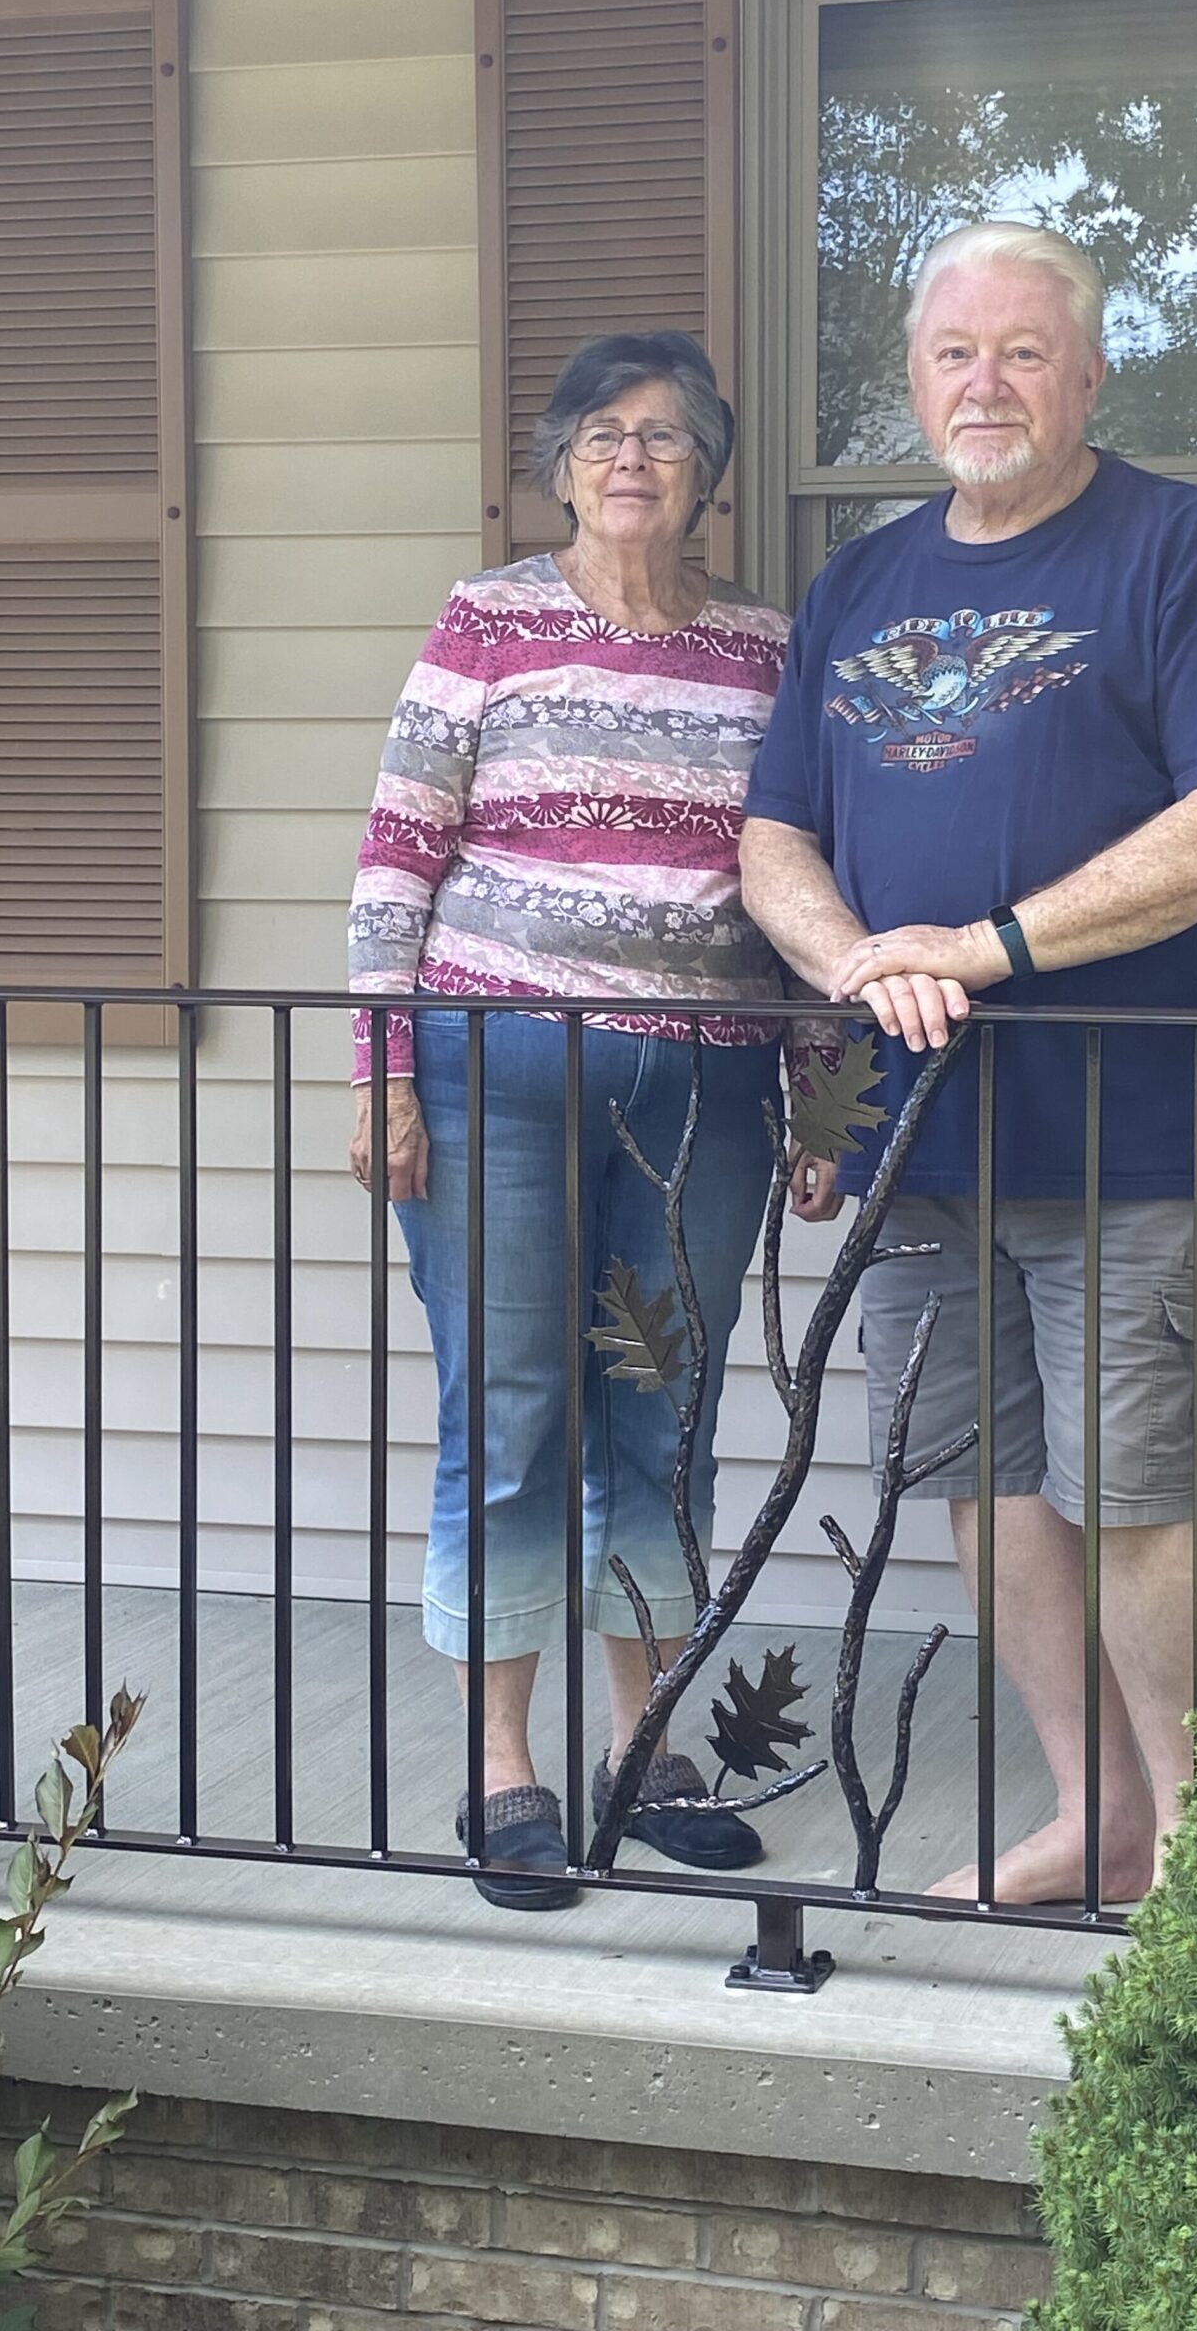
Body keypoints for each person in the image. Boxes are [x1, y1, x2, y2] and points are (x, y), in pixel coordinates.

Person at [741, 223, 1197, 1906]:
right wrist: (854, 963)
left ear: (1088, 370)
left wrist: (986, 948)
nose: (981, 382)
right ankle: (1102, 1819)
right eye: (949, 353)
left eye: (1019, 350)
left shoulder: (1183, 554)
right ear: (913, 377)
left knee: (1127, 1488)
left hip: (1119, 1131)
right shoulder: (860, 584)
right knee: (981, 1491)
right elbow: (777, 835)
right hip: (919, 1136)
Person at [348, 330, 791, 1910]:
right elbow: (400, 855)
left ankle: (649, 1746)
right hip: (495, 1066)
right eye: (603, 432)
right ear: (560, 462)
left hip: (711, 1083)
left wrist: (815, 1097)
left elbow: (803, 880)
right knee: (513, 1408)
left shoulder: (764, 648)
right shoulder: (490, 621)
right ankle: (503, 1768)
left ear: (707, 474)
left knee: (660, 1417)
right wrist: (382, 1073)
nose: (631, 459)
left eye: (666, 437)